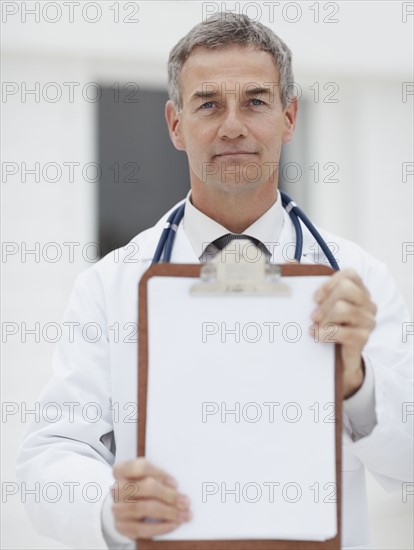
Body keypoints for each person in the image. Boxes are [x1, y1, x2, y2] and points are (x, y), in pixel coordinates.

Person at [16, 12, 412, 550]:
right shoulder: (109, 287)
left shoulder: (357, 280)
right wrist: (109, 506)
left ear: (289, 116)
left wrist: (358, 384)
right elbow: (50, 457)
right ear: (176, 125)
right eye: (208, 104)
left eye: (255, 101)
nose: (232, 126)